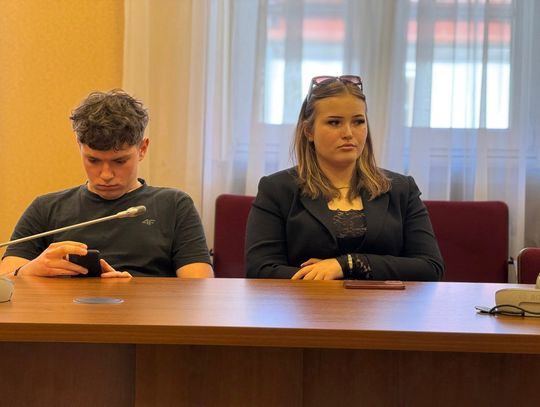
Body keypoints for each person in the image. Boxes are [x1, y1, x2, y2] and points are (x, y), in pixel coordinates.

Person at [245, 75, 444, 281]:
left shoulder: (402, 189)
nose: (348, 133)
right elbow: (260, 270)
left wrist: (347, 265)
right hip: (307, 301)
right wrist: (324, 278)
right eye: (334, 122)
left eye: (358, 121)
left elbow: (430, 268)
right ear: (309, 131)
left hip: (384, 302)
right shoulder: (276, 189)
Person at [0, 89, 213, 278]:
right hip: (67, 310)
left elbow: (198, 289)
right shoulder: (46, 208)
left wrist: (132, 290)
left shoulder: (174, 205)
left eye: (119, 161)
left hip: (145, 309)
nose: (106, 175)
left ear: (142, 149)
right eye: (93, 160)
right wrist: (28, 271)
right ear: (79, 146)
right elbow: (5, 280)